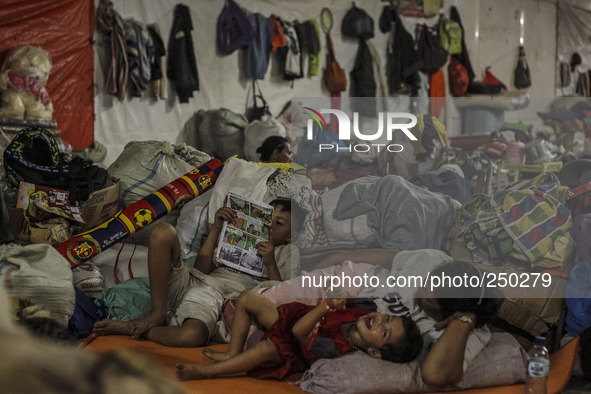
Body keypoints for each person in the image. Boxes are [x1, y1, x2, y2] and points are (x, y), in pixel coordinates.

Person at [93, 198, 304, 347]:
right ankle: (157, 314)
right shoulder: (236, 237)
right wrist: (217, 229)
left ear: (290, 236)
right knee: (163, 232)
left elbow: (281, 298)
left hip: (214, 296)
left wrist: (271, 263)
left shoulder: (288, 252)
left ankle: (131, 328)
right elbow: (201, 269)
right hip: (194, 281)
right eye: (267, 219)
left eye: (278, 223)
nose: (269, 227)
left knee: (191, 336)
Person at [314, 248, 503, 388]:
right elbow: (391, 258)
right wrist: (338, 257)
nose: (420, 288)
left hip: (344, 317)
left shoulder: (466, 332)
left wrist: (464, 319)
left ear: (452, 314)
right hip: (347, 285)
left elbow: (435, 375)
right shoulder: (432, 260)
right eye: (429, 279)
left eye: (427, 296)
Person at [176, 290, 423, 381]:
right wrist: (339, 298)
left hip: (294, 347)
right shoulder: (363, 311)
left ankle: (206, 373)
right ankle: (232, 351)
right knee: (246, 298)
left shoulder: (337, 349)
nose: (380, 320)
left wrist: (326, 305)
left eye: (384, 331)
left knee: (264, 349)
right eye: (387, 317)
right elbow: (343, 298)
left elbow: (298, 333)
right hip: (292, 319)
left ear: (374, 352)